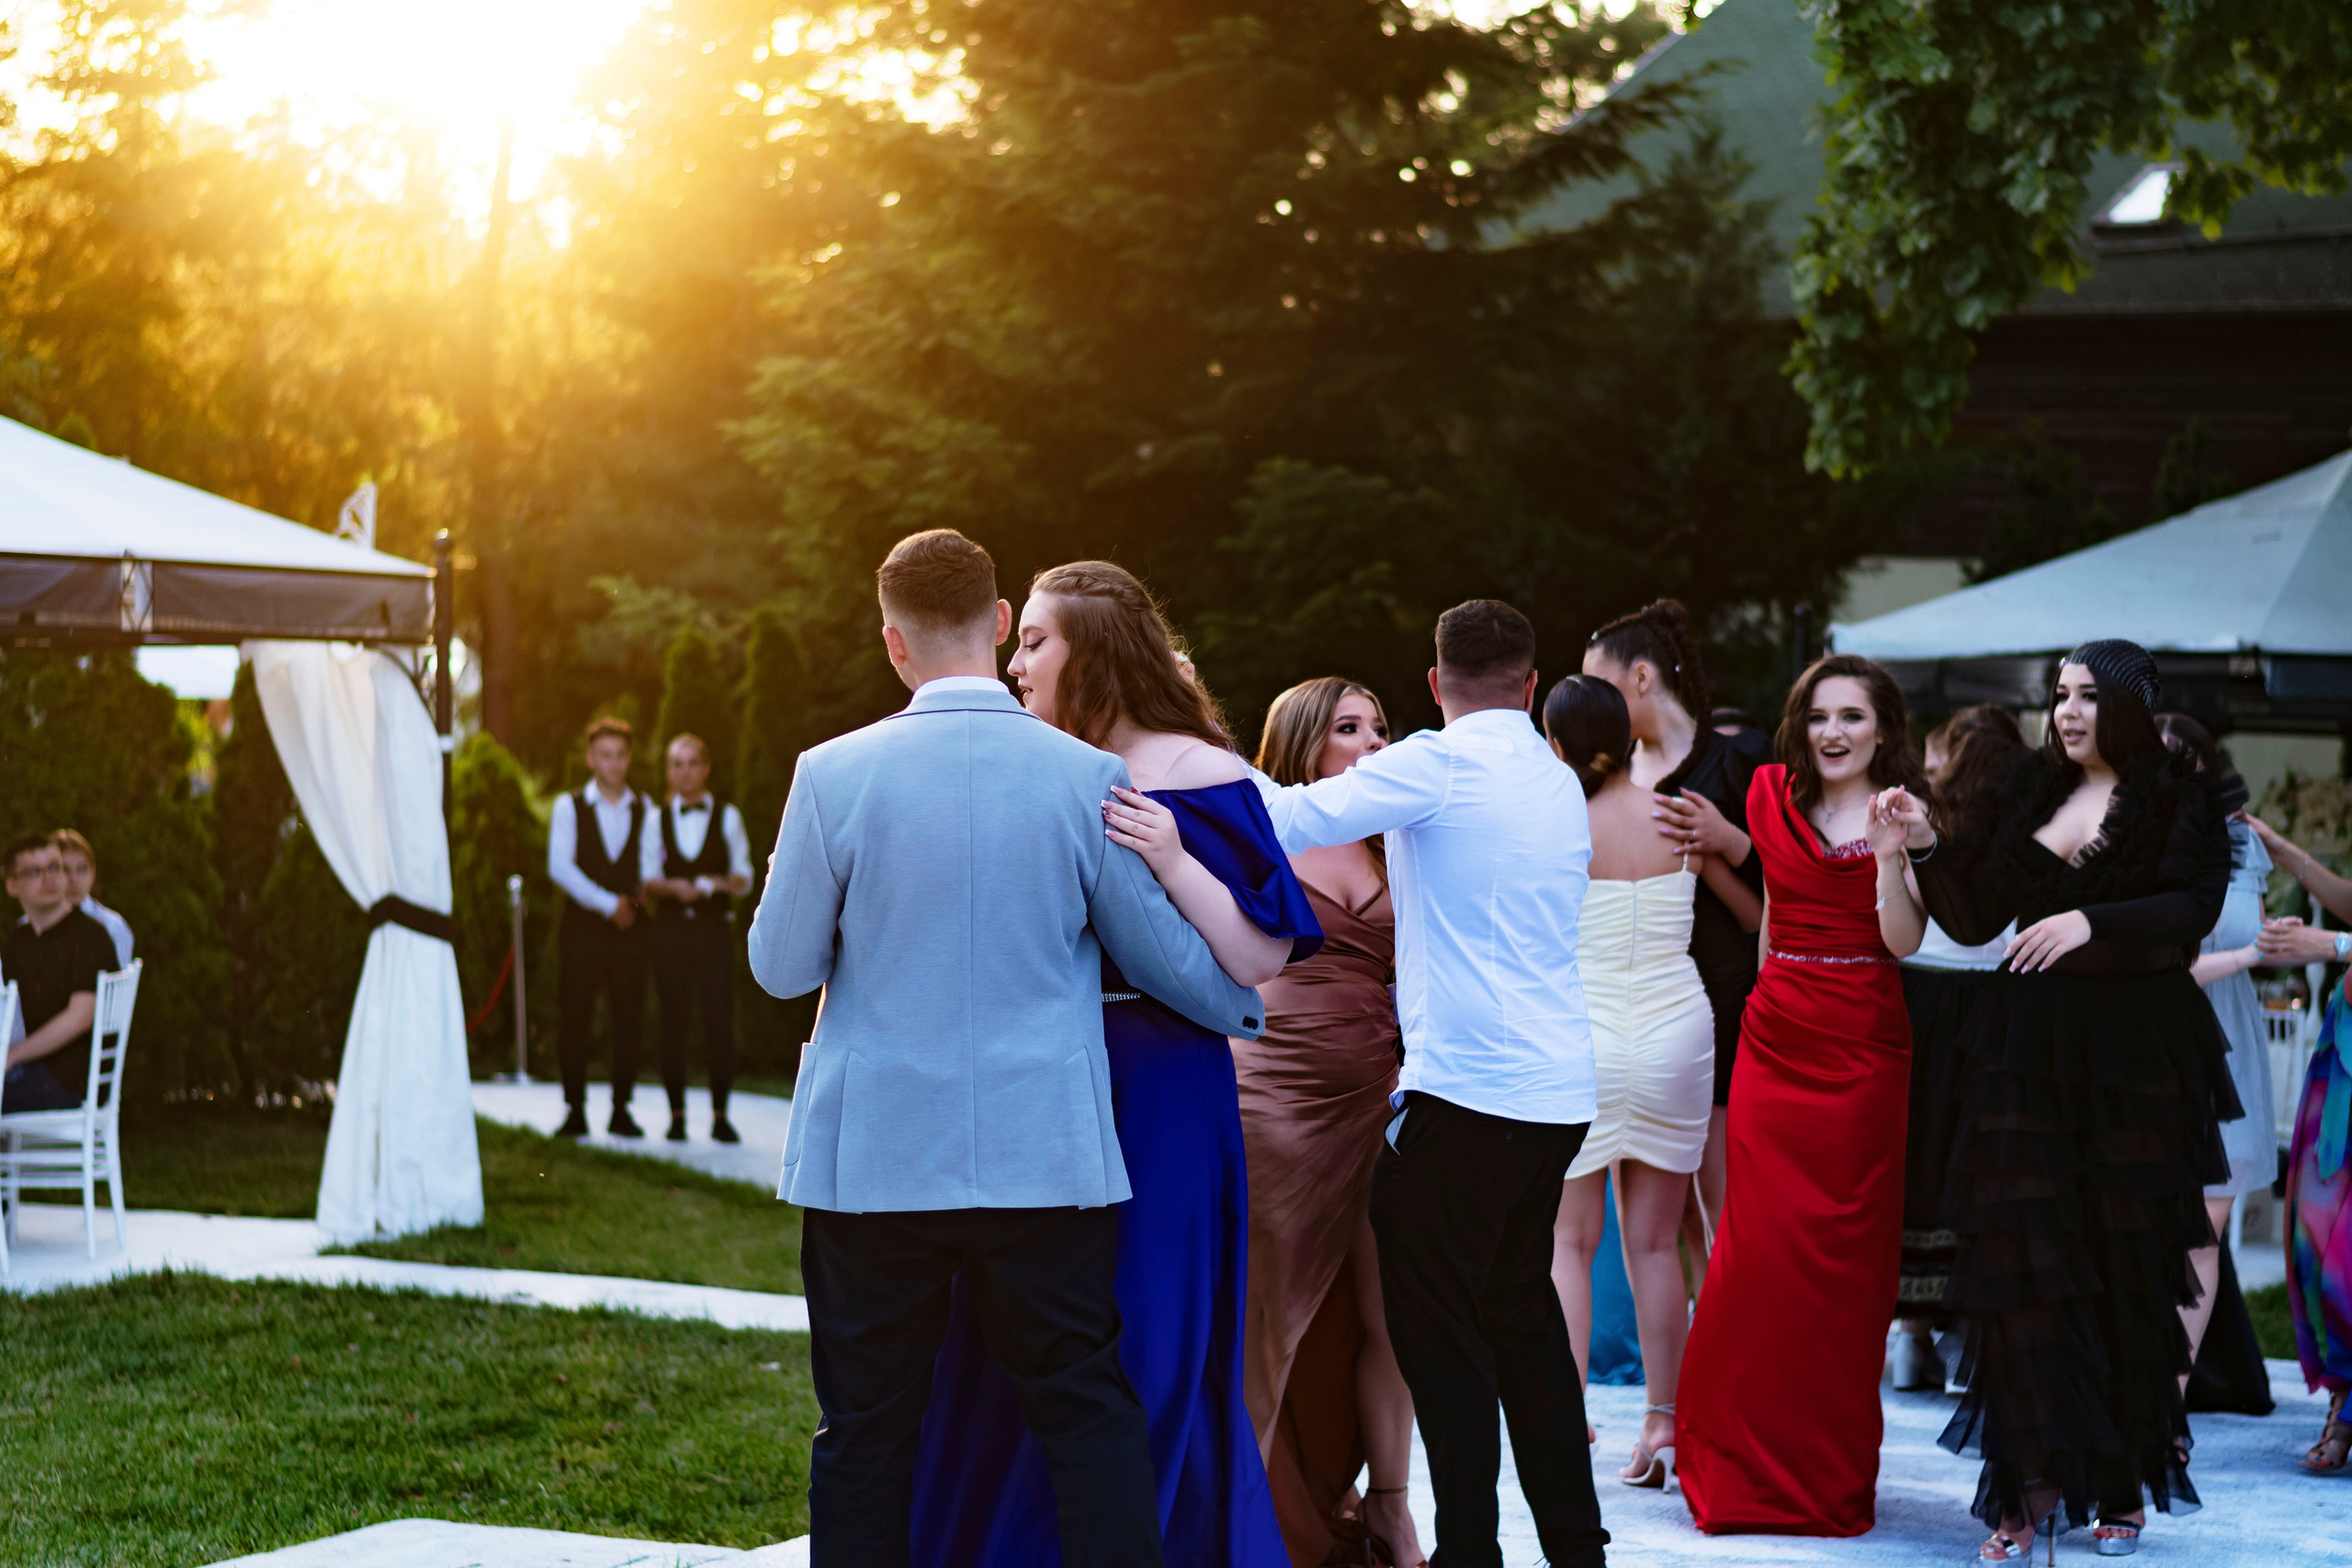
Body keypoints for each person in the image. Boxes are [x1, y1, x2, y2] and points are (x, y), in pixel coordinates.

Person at [751, 531, 1264, 1568]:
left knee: (865, 1429)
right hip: (1046, 1164)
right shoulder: (1084, 779)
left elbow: (778, 965)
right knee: (1086, 1411)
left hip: (874, 1171)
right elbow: (1165, 961)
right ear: (994, 625)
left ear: (893, 643)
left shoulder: (830, 773)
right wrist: (1236, 1000)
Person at [909, 558, 1309, 1568]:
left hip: (1158, 1091)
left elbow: (1259, 958)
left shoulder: (1198, 771)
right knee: (1012, 1335)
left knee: (1147, 1338)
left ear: (1096, 649)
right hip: (1033, 1083)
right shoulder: (1031, 764)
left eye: (1036, 641)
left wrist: (1174, 857)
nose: (1014, 662)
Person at [1261, 599, 1608, 1568]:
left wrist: (1188, 754)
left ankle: (1467, 1555)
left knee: (1442, 1345)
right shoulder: (1554, 778)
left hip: (1465, 1101)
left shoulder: (1435, 759)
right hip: (1556, 1100)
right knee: (1524, 1327)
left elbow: (1284, 811)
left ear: (1432, 682)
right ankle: (1578, 1551)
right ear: (1532, 685)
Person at [1882, 640, 2238, 1560]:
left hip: (2135, 1061)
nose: (2067, 711)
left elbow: (2185, 915)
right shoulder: (2032, 791)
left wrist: (2090, 920)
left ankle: (2118, 1480)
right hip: (2026, 1060)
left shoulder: (2176, 795)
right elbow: (1970, 916)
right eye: (2059, 695)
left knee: (2121, 1266)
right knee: (2022, 1270)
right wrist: (1922, 845)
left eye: (2086, 696)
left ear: (2125, 706)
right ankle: (2025, 1485)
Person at [1674, 654, 1926, 1538]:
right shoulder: (1770, 795)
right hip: (1776, 1039)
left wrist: (1894, 858)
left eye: (1853, 717)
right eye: (1820, 715)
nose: (1833, 732)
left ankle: (1822, 1477)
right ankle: (1732, 1460)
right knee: (1756, 1256)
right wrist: (1761, 1006)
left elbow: (1901, 938)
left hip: (1861, 1050)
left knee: (1840, 1272)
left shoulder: (1901, 814)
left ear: (1883, 729)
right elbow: (1775, 911)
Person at [1542, 673, 1754, 1492]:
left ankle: (1566, 1416)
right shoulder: (1678, 813)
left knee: (1568, 1239)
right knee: (1658, 1241)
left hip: (1585, 1032)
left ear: (1555, 743)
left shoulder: (1559, 826)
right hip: (1675, 1028)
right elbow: (1745, 915)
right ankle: (1664, 1423)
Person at [1231, 675, 1425, 1568]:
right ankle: (1266, 1505)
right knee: (1269, 1312)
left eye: (1381, 728)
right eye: (1349, 728)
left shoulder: (1402, 841)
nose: (1372, 743)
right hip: (1272, 1096)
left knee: (1388, 1312)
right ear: (1303, 740)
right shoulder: (1261, 831)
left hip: (1381, 1099)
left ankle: (1392, 1503)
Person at [1583, 602, 1768, 1280]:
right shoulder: (1607, 780)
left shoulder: (1741, 759)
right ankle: (1681, 1377)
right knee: (1661, 1227)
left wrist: (1730, 840)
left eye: (1596, 683)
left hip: (1722, 1004)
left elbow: (1790, 883)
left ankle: (1732, 1372)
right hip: (1629, 1011)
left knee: (1720, 1210)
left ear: (1639, 678)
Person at [1890, 705, 2026, 1393]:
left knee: (1915, 1156)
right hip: (1992, 1005)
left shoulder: (1924, 829)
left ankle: (1910, 1338)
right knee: (1977, 1163)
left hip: (1919, 999)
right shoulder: (2023, 835)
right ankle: (1967, 1337)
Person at [2155, 715, 2273, 1394]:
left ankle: (2169, 1396)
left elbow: (2251, 935)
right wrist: (2254, 954)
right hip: (2151, 1032)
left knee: (2205, 1229)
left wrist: (2264, 948)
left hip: (2228, 1035)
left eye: (2186, 758)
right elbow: (2163, 965)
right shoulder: (2130, 843)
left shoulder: (2239, 842)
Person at [2247, 814, 2352, 1473]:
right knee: (2318, 1226)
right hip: (2345, 1041)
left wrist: (2333, 945)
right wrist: (2288, 854)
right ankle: (2344, 1392)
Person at [639, 732, 752, 1145]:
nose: (683, 773)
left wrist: (710, 884)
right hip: (669, 935)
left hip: (713, 935)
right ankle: (676, 1116)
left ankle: (721, 1116)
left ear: (705, 768)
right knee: (673, 1023)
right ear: (668, 771)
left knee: (719, 1023)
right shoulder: (655, 819)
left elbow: (744, 878)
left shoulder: (727, 816)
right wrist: (676, 890)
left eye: (691, 764)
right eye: (675, 764)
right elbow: (649, 880)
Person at [547, 716, 652, 1139]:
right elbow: (560, 867)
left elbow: (651, 867)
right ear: (590, 759)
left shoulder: (647, 808)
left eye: (620, 755)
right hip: (582, 931)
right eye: (605, 755)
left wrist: (636, 903)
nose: (613, 763)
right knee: (574, 1018)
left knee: (628, 1020)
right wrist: (609, 904)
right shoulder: (568, 806)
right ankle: (575, 1110)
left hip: (631, 932)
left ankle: (621, 1111)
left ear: (629, 759)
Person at [2, 831, 120, 1113]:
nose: (49, 878)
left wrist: (13, 1055)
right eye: (34, 871)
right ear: (12, 885)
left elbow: (80, 1017)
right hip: (27, 1071)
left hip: (70, 1081)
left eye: (55, 867)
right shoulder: (17, 941)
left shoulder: (91, 935)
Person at [55, 829, 133, 968]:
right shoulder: (29, 928)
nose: (74, 879)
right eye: (65, 870)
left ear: (93, 872)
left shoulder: (113, 927)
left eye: (82, 869)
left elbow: (116, 986)